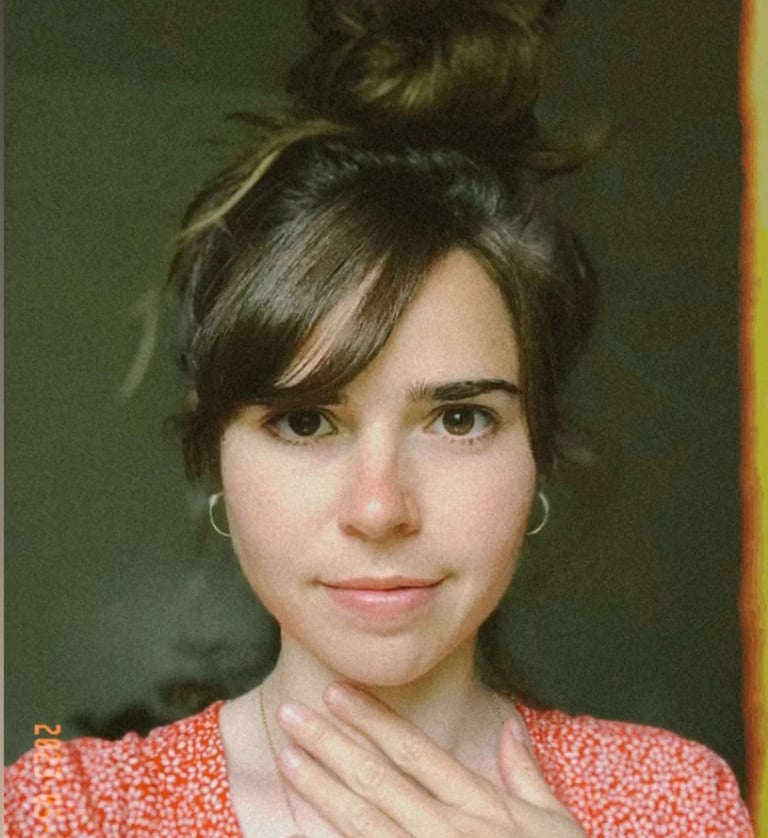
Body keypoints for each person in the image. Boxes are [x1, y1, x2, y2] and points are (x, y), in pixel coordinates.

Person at [4, 0, 753, 835]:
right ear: (214, 454)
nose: (379, 508)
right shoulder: (67, 808)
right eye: (304, 423)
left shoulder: (676, 800)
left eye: (460, 419)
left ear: (538, 447)